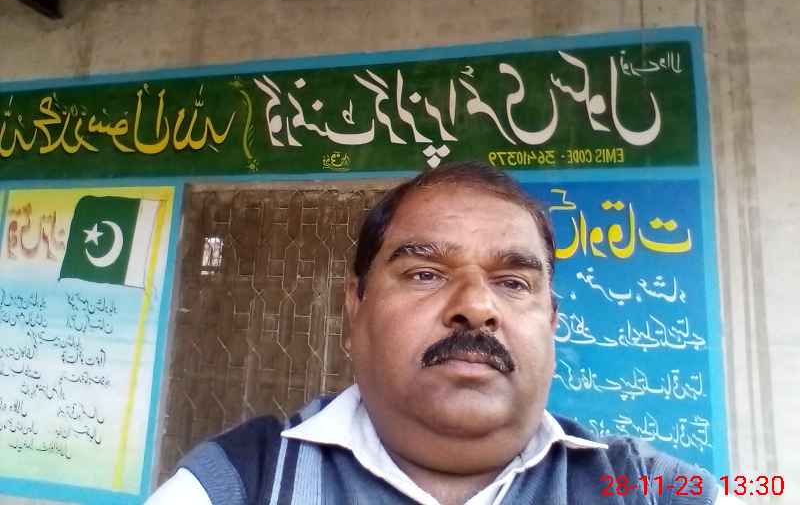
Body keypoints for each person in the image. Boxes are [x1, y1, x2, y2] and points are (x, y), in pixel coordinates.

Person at [148, 161, 739, 504]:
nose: (477, 307)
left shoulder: (646, 488)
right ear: (355, 311)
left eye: (514, 282)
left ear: (552, 324)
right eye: (425, 274)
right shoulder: (242, 480)